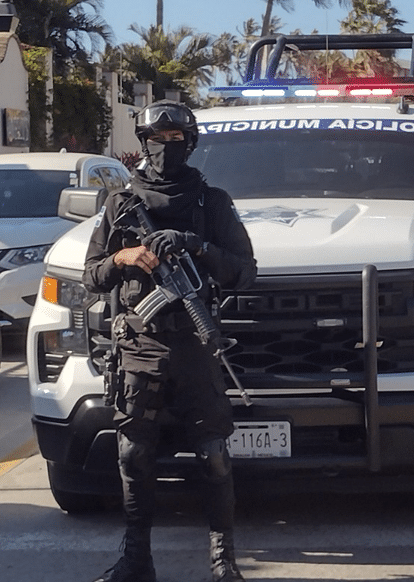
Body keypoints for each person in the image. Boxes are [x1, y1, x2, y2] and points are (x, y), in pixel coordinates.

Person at [84, 100, 258, 582]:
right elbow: (92, 275)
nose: (165, 149)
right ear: (143, 143)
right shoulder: (120, 205)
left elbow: (246, 272)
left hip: (198, 348)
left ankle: (223, 561)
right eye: (156, 140)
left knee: (215, 456)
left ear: (191, 143)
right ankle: (137, 560)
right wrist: (127, 257)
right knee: (133, 455)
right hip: (140, 346)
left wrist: (195, 245)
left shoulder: (211, 202)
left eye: (176, 140)